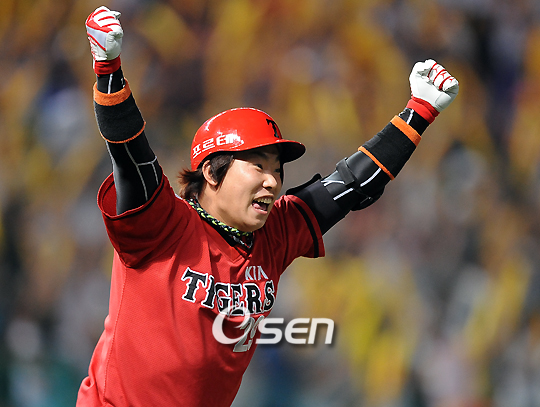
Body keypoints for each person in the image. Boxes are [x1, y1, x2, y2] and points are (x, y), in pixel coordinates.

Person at [78, 6, 459, 407]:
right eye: (258, 166)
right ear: (211, 172)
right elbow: (131, 156)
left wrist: (419, 112)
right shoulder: (164, 224)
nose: (273, 181)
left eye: (277, 169)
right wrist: (108, 69)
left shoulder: (273, 234)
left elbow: (350, 185)